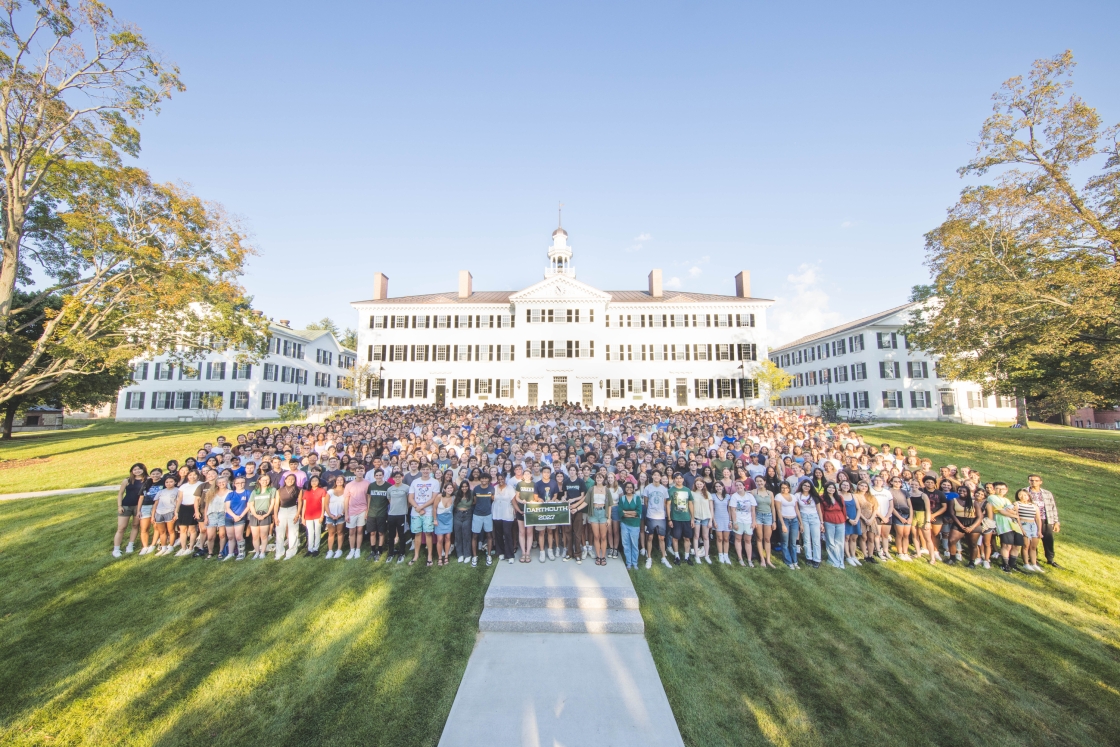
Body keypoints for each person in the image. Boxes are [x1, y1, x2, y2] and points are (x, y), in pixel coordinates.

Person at [1025, 474, 1061, 567]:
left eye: (1036, 481)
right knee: (1033, 539)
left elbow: (1053, 507)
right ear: (1029, 481)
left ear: (1041, 482)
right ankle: (1033, 558)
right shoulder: (1025, 492)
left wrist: (1056, 522)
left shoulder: (1047, 493)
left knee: (1048, 539)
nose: (1034, 482)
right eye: (1031, 480)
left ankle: (1050, 559)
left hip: (1045, 519)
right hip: (1031, 519)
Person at [114, 463, 148, 557]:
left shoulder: (147, 480)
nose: (137, 471)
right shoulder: (127, 480)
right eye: (135, 469)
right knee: (121, 528)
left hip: (139, 506)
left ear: (143, 469)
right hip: (126, 506)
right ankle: (116, 549)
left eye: (139, 469)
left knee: (135, 525)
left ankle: (130, 545)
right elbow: (120, 494)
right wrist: (119, 506)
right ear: (132, 471)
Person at [409, 465, 439, 566]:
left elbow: (434, 498)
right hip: (415, 512)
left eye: (427, 469)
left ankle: (429, 556)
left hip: (428, 512)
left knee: (428, 533)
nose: (425, 471)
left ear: (430, 471)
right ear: (420, 470)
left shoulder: (435, 482)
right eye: (424, 469)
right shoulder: (415, 482)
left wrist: (421, 507)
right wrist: (417, 507)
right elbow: (410, 498)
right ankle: (416, 555)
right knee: (417, 533)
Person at [989, 482, 1022, 573]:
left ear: (1006, 490)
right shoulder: (992, 497)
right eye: (998, 488)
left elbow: (1014, 511)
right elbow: (1001, 511)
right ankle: (1005, 564)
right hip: (1003, 524)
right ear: (994, 489)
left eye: (1003, 489)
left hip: (1014, 524)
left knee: (1017, 545)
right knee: (1007, 545)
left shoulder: (1007, 500)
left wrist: (1013, 513)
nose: (1000, 490)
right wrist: (1014, 514)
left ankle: (1013, 564)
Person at [643, 470, 670, 569]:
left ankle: (663, 557)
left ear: (660, 477)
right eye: (655, 475)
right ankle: (649, 558)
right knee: (649, 537)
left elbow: (665, 502)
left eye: (658, 475)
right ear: (652, 477)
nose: (656, 477)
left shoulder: (664, 489)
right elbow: (645, 502)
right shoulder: (648, 488)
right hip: (651, 516)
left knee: (661, 538)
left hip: (661, 517)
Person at [246, 473, 277, 559]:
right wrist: (255, 515)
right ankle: (256, 552)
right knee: (255, 536)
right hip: (254, 515)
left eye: (267, 480)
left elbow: (272, 503)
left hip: (265, 514)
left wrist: (267, 514)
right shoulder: (255, 491)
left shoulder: (272, 490)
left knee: (264, 535)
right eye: (263, 480)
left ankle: (262, 552)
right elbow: (251, 504)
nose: (265, 481)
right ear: (259, 481)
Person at [175, 469, 204, 557]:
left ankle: (190, 547)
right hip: (184, 507)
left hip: (193, 507)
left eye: (194, 475)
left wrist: (197, 510)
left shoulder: (201, 484)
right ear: (187, 476)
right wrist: (176, 511)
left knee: (192, 529)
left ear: (198, 476)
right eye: (190, 475)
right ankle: (183, 548)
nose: (192, 477)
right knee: (182, 529)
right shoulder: (183, 486)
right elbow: (179, 499)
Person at [668, 472, 695, 566]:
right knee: (675, 538)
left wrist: (692, 518)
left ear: (683, 479)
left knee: (687, 538)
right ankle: (677, 556)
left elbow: (690, 504)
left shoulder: (687, 490)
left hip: (686, 518)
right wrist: (669, 519)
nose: (679, 480)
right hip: (675, 518)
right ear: (674, 479)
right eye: (677, 478)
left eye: (680, 478)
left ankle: (687, 557)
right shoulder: (671, 490)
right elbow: (668, 505)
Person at [343, 472, 370, 560]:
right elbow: (346, 499)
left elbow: (368, 497)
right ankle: (352, 549)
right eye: (357, 471)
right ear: (355, 472)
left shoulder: (367, 483)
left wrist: (367, 511)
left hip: (362, 510)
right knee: (351, 531)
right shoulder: (349, 485)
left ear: (363, 472)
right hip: (351, 511)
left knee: (360, 530)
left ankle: (357, 549)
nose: (359, 472)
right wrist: (346, 513)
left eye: (361, 470)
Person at [275, 472, 302, 560]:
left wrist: (297, 514)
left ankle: (291, 551)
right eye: (288, 479)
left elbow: (300, 502)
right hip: (282, 510)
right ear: (285, 480)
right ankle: (279, 552)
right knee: (280, 531)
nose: (290, 481)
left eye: (292, 479)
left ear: (295, 481)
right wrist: (275, 516)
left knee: (293, 531)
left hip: (293, 509)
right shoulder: (279, 490)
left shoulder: (298, 489)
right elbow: (276, 504)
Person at [587, 472, 613, 566]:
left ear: (603, 479)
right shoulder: (591, 489)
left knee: (603, 536)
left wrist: (609, 518)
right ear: (595, 479)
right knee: (596, 536)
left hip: (603, 513)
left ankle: (603, 556)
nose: (599, 479)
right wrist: (576, 508)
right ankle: (598, 556)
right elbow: (586, 501)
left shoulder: (607, 489)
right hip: (594, 513)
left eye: (600, 477)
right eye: (597, 477)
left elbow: (610, 504)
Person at [152, 474, 181, 556]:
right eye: (167, 482)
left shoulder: (177, 491)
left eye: (171, 482)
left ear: (175, 482)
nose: (169, 483)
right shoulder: (161, 492)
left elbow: (177, 503)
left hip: (170, 512)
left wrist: (176, 513)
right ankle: (163, 547)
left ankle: (171, 546)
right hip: (159, 512)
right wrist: (153, 515)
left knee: (171, 530)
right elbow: (155, 504)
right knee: (162, 531)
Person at [820, 482, 847, 569]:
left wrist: (844, 520)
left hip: (840, 520)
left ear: (835, 489)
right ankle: (832, 560)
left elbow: (843, 509)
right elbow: (821, 511)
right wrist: (822, 523)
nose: (831, 489)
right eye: (829, 487)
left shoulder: (839, 498)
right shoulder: (822, 498)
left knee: (839, 542)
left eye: (833, 488)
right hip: (828, 520)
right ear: (826, 488)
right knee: (830, 541)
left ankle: (840, 560)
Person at [1015, 488, 1044, 572]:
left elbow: (1038, 519)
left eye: (1025, 495)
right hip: (1024, 524)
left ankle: (1034, 564)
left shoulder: (1034, 506)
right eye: (1020, 495)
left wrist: (1039, 530)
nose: (1023, 496)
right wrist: (1021, 529)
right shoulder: (1017, 504)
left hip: (1033, 525)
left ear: (1028, 496)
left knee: (1033, 546)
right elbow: (1017, 518)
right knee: (1025, 545)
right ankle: (1026, 563)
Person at [471, 473, 496, 567]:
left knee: (489, 535)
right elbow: (474, 501)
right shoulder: (476, 489)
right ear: (480, 479)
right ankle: (474, 556)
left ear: (488, 480)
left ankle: (489, 555)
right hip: (477, 515)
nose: (484, 480)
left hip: (488, 514)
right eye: (482, 478)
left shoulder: (491, 488)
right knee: (474, 535)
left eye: (486, 478)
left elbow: (493, 500)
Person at [202, 475, 230, 559]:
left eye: (223, 482)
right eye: (219, 482)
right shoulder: (211, 493)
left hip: (223, 514)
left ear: (227, 482)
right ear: (217, 483)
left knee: (222, 535)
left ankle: (221, 552)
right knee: (210, 536)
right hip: (212, 514)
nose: (221, 484)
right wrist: (205, 518)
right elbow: (206, 506)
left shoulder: (230, 492)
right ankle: (210, 552)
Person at [730, 480, 756, 567]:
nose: (738, 487)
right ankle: (740, 558)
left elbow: (753, 510)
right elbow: (733, 510)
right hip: (739, 520)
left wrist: (754, 521)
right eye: (737, 485)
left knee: (748, 540)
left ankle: (749, 559)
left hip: (748, 521)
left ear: (744, 486)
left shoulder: (750, 496)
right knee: (738, 539)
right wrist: (735, 522)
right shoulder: (734, 496)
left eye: (740, 485)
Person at [224, 476, 251, 560]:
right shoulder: (231, 494)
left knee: (239, 536)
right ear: (234, 484)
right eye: (238, 483)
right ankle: (230, 553)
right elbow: (227, 508)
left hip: (241, 517)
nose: (240, 484)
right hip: (229, 517)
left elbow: (248, 506)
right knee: (230, 537)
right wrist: (234, 516)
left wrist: (240, 516)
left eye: (242, 482)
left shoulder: (247, 493)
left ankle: (241, 553)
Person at [752, 476, 776, 569]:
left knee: (767, 539)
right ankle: (762, 559)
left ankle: (768, 560)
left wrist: (774, 521)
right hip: (758, 516)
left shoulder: (770, 493)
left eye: (761, 481)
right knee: (759, 538)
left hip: (768, 516)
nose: (759, 483)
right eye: (757, 481)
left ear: (765, 482)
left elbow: (773, 507)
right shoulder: (754, 492)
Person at [385, 472, 410, 562]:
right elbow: (389, 499)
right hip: (391, 514)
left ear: (402, 477)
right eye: (396, 477)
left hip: (402, 514)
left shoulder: (406, 488)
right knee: (391, 535)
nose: (397, 478)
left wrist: (405, 509)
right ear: (393, 478)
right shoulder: (390, 489)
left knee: (401, 535)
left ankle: (402, 553)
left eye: (399, 477)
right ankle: (390, 553)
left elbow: (409, 500)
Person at [618, 481, 643, 570]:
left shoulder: (637, 498)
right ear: (625, 489)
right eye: (627, 487)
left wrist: (626, 513)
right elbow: (620, 512)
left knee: (635, 544)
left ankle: (634, 562)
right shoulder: (622, 499)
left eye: (631, 487)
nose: (629, 489)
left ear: (633, 489)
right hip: (624, 524)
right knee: (626, 544)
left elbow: (638, 512)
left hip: (635, 525)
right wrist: (632, 514)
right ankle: (628, 562)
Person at [300, 474, 326, 557]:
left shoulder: (322, 491)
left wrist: (322, 515)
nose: (314, 482)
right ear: (310, 482)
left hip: (318, 514)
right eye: (312, 481)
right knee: (310, 532)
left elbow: (323, 504)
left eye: (316, 481)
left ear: (319, 482)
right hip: (308, 515)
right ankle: (310, 549)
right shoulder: (307, 492)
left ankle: (316, 548)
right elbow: (304, 505)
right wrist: (303, 517)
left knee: (317, 531)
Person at [775, 482, 800, 568]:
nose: (784, 489)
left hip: (794, 520)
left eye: (786, 487)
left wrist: (800, 522)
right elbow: (778, 511)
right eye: (782, 487)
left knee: (793, 543)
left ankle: (795, 561)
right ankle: (788, 561)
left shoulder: (793, 497)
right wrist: (782, 524)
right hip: (784, 520)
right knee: (785, 542)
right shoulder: (778, 496)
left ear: (789, 488)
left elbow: (796, 510)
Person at [889, 477, 914, 561]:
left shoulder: (905, 492)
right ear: (891, 482)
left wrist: (910, 517)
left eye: (899, 481)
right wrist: (900, 517)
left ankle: (905, 552)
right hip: (897, 514)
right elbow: (891, 507)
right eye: (895, 481)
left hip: (907, 513)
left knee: (906, 534)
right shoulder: (890, 491)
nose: (897, 483)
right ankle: (899, 552)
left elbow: (910, 505)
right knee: (899, 534)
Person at [324, 475, 348, 559]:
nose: (339, 481)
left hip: (340, 515)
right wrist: (330, 514)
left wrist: (341, 514)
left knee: (340, 532)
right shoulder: (330, 491)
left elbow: (346, 504)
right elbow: (326, 504)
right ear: (335, 481)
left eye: (341, 480)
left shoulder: (346, 491)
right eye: (338, 480)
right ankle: (330, 551)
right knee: (331, 533)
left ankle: (339, 550)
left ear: (344, 481)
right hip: (330, 515)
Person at [691, 479, 714, 564]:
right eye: (697, 484)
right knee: (696, 536)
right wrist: (692, 519)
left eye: (701, 484)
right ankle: (697, 555)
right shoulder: (692, 493)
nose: (699, 486)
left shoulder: (708, 494)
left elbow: (711, 508)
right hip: (696, 517)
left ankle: (706, 555)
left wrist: (711, 520)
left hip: (706, 517)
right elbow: (691, 507)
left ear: (703, 484)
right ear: (695, 485)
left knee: (705, 537)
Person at [711, 480, 733, 565]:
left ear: (723, 487)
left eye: (719, 486)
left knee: (726, 538)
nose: (718, 488)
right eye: (716, 487)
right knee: (719, 538)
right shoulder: (713, 496)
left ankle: (726, 555)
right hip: (717, 518)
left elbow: (729, 509)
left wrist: (730, 521)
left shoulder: (727, 496)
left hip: (726, 518)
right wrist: (714, 521)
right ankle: (720, 554)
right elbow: (712, 509)